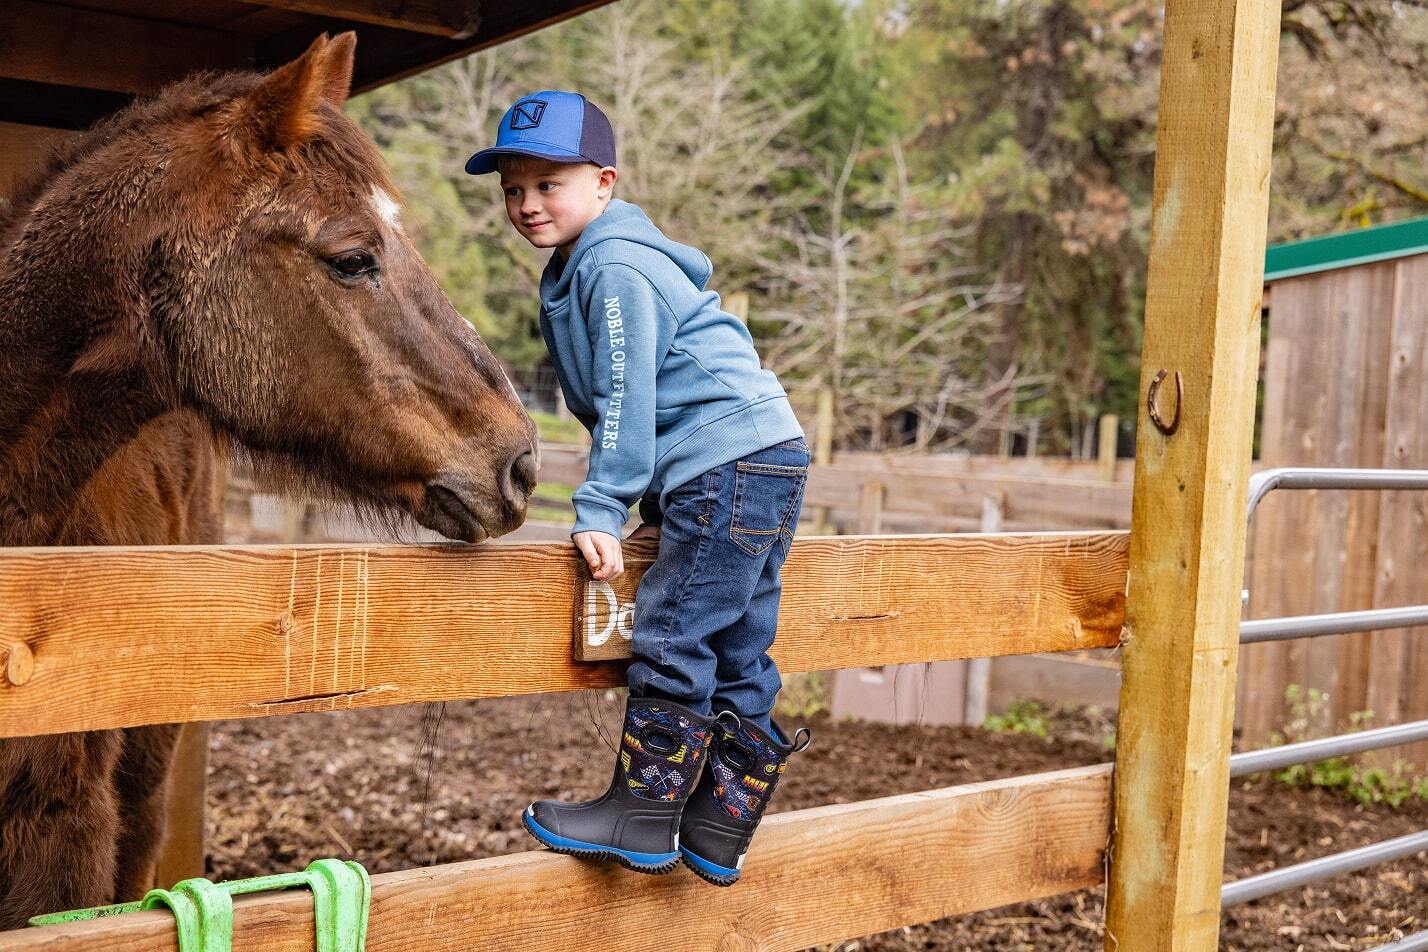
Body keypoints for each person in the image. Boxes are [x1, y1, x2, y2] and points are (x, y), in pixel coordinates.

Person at [465, 90, 812, 885]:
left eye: (549, 184)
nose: (526, 204)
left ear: (605, 183)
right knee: (738, 641)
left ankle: (644, 812)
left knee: (675, 629)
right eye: (513, 188)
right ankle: (720, 824)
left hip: (721, 461)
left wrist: (600, 503)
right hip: (764, 454)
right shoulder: (596, 259)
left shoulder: (615, 266)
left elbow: (629, 395)